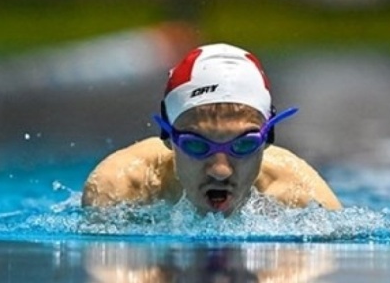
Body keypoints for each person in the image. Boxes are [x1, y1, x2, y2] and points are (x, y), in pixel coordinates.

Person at [82, 43, 342, 215]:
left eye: (244, 144)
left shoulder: (303, 199)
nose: (220, 171)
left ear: (268, 137)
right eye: (196, 144)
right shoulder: (120, 188)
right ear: (167, 135)